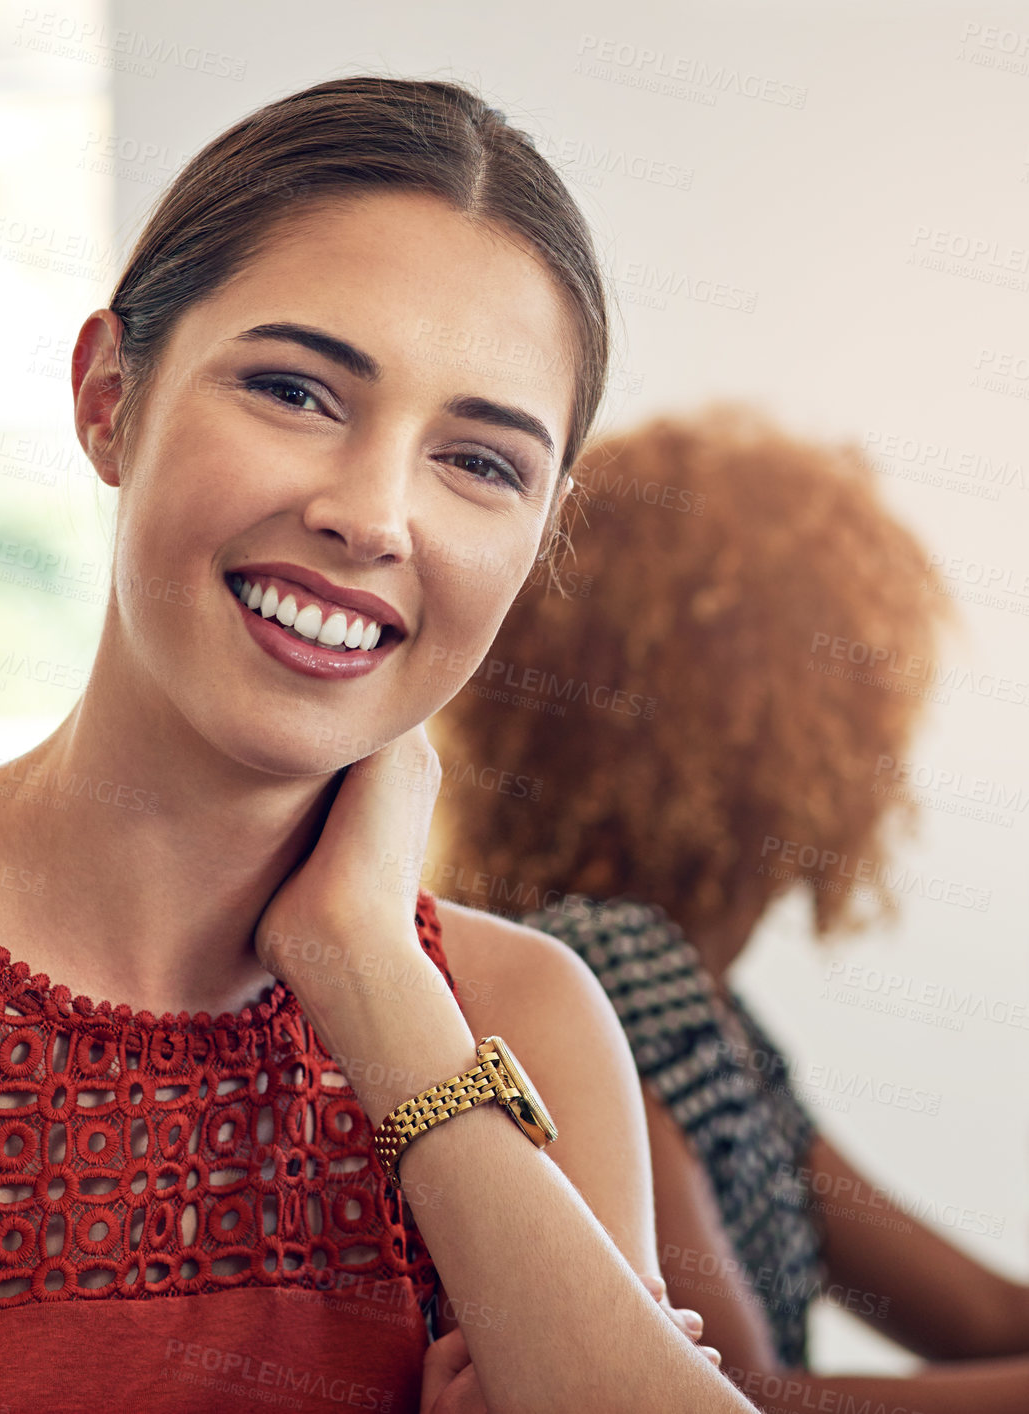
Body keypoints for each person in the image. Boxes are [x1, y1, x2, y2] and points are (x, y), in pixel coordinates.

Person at [0, 77, 760, 1414]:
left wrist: (371, 977)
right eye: (294, 389)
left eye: (480, 463)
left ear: (540, 535)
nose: (371, 513)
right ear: (109, 396)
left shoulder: (523, 1018)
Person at [427, 403, 1029, 1413]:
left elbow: (977, 1315)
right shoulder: (605, 968)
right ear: (790, 737)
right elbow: (738, 1394)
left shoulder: (716, 1023)